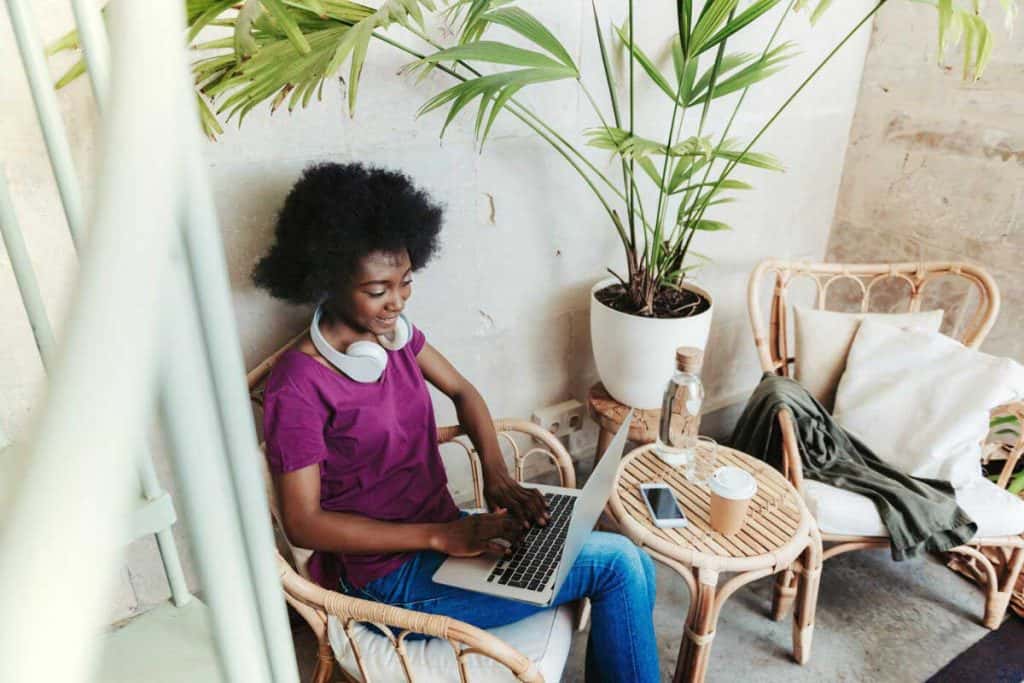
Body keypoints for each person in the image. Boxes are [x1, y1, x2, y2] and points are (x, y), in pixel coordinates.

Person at [254, 162, 659, 682]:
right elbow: (303, 522)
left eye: (405, 283)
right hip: (388, 577)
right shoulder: (298, 385)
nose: (396, 302)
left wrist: (496, 475)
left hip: (449, 535)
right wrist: (440, 536)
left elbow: (464, 391)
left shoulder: (394, 338)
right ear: (326, 281)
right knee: (619, 565)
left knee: (634, 565)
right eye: (378, 290)